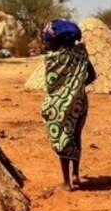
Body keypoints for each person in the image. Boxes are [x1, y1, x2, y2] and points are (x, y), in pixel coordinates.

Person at [40, 19, 96, 191]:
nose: (48, 45)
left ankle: (66, 182)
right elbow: (92, 76)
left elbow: (51, 85)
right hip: (80, 102)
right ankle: (76, 175)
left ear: (56, 41)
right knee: (76, 136)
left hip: (61, 105)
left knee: (62, 138)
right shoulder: (81, 55)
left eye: (49, 41)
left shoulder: (53, 60)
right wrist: (75, 88)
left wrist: (65, 92)